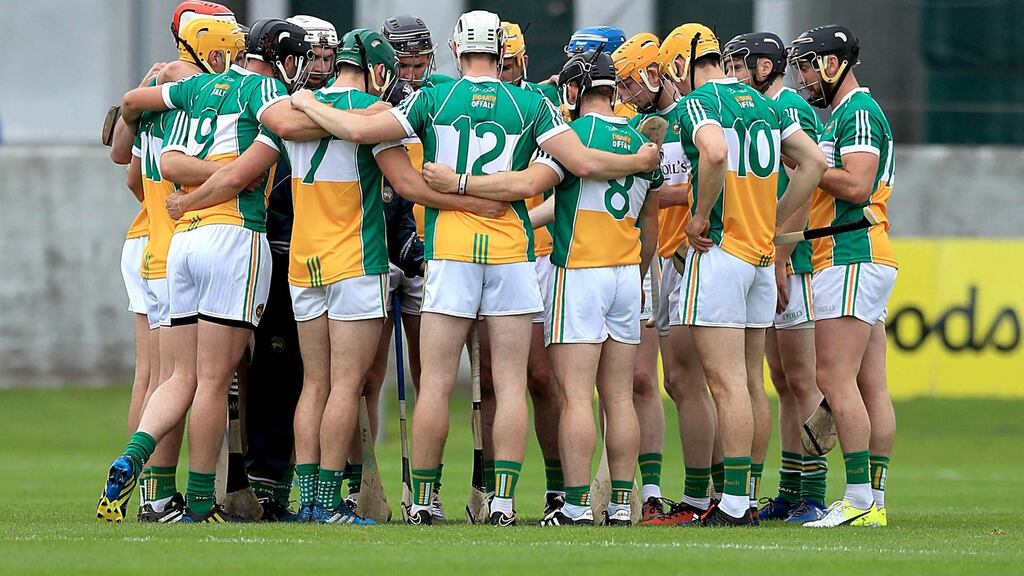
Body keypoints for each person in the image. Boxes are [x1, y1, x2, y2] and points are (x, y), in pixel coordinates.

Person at [289, 9, 659, 526]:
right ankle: (503, 501)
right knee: (508, 384)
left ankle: (421, 501)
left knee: (436, 382)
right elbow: (573, 166)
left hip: (452, 252)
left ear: (458, 47)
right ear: (503, 52)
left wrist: (308, 101)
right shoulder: (531, 101)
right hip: (511, 252)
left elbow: (356, 127)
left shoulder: (433, 96)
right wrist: (642, 161)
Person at [97, 17, 327, 523]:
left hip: (183, 243)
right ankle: (202, 501)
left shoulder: (196, 88)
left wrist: (193, 198)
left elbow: (171, 163)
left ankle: (133, 455)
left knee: (177, 374)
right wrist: (228, 175)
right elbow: (254, 165)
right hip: (234, 239)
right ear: (284, 60)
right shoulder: (267, 92)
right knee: (213, 380)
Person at [669, 22, 826, 526]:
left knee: (727, 381)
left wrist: (698, 217)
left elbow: (713, 152)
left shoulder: (699, 102)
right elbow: (814, 162)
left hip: (720, 253)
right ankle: (747, 495)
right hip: (760, 257)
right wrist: (775, 218)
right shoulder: (763, 102)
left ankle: (734, 503)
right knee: (752, 382)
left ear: (682, 65)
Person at [789, 24, 897, 528]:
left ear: (835, 62)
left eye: (810, 64)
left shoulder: (857, 112)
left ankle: (858, 499)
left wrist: (806, 164)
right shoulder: (845, 116)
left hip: (852, 250)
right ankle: (872, 500)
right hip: (860, 251)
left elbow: (857, 184)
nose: (805, 76)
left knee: (832, 377)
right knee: (870, 382)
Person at [723, 31, 830, 523]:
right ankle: (789, 489)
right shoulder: (762, 107)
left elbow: (804, 184)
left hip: (792, 260)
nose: (735, 71)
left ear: (766, 66)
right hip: (769, 256)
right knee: (781, 379)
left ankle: (814, 493)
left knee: (803, 377)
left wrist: (782, 254)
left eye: (742, 63)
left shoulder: (789, 108)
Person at [243, 13, 340, 523]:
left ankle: (316, 483)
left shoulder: (327, 103)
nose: (316, 66)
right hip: (273, 253)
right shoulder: (269, 101)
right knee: (270, 375)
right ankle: (259, 481)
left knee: (316, 376)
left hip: (315, 257)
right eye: (307, 56)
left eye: (325, 57)